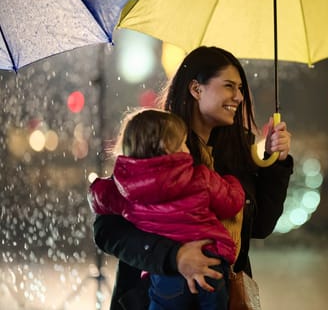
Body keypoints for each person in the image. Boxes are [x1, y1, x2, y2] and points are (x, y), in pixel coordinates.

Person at [92, 46, 293, 310]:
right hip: (158, 295)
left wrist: (275, 163)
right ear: (196, 89)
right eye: (229, 86)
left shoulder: (236, 152)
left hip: (220, 295)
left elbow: (261, 226)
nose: (239, 97)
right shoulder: (160, 143)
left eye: (241, 89)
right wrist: (174, 257)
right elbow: (108, 232)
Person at [88, 109, 245, 310]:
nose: (187, 150)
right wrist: (232, 181)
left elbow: (100, 197)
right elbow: (232, 202)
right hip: (210, 263)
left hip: (163, 279)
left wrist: (97, 190)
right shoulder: (200, 178)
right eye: (183, 144)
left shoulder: (127, 188)